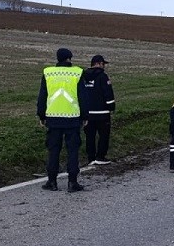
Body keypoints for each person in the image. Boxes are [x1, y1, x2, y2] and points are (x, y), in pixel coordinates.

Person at [37, 48, 87, 192]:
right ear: (69, 59)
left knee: (53, 150)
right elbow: (83, 97)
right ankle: (72, 182)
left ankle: (52, 182)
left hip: (53, 118)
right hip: (72, 118)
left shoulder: (48, 73)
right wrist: (85, 116)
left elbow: (42, 97)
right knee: (72, 151)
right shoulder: (77, 73)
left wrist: (41, 115)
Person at [81, 54, 116, 165]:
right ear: (98, 63)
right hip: (102, 112)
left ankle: (91, 158)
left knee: (90, 136)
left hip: (88, 113)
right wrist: (111, 107)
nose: (104, 66)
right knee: (103, 136)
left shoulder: (83, 76)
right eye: (103, 64)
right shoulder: (103, 76)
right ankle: (100, 157)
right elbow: (108, 93)